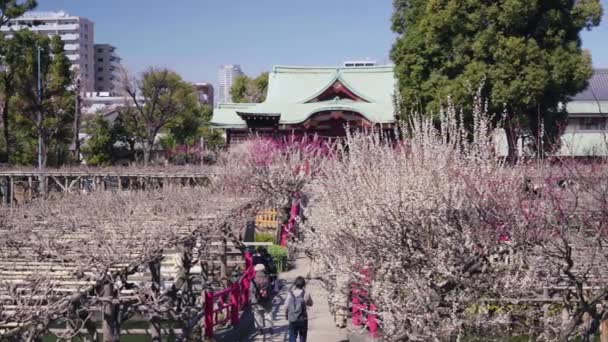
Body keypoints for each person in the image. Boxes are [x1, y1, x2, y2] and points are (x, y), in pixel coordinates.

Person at [285, 276, 313, 342]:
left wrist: (286, 315)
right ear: (304, 284)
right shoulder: (306, 294)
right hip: (303, 318)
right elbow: (311, 304)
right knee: (302, 336)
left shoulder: (290, 294)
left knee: (292, 335)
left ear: (295, 284)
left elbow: (285, 306)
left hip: (292, 318)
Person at [250, 263, 273, 334]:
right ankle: (269, 327)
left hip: (257, 300)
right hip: (267, 299)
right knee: (268, 313)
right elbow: (270, 289)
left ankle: (260, 329)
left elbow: (252, 290)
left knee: (258, 314)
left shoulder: (254, 280)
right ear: (264, 269)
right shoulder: (267, 278)